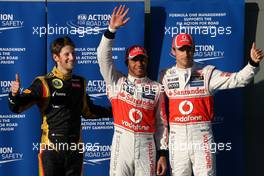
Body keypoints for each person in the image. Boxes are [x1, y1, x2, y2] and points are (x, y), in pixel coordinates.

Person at [159, 33, 264, 176]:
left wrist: (252, 63)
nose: (186, 53)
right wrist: (163, 150)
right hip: (177, 139)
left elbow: (237, 79)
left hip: (202, 137)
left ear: (194, 49)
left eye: (189, 49)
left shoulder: (207, 73)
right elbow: (161, 115)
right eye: (181, 49)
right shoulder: (165, 76)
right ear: (173, 51)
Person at [8, 36, 112, 176]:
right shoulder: (43, 82)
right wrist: (14, 95)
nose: (72, 57)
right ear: (56, 57)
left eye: (73, 53)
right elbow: (17, 107)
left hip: (75, 150)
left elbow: (89, 112)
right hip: (52, 150)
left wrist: (116, 111)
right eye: (67, 54)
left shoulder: (80, 82)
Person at [97, 5, 168, 176]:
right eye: (135, 60)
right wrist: (111, 30)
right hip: (123, 142)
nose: (139, 63)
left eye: (142, 59)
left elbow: (161, 123)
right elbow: (102, 57)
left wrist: (163, 154)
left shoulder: (157, 88)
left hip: (147, 145)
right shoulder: (116, 81)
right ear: (127, 62)